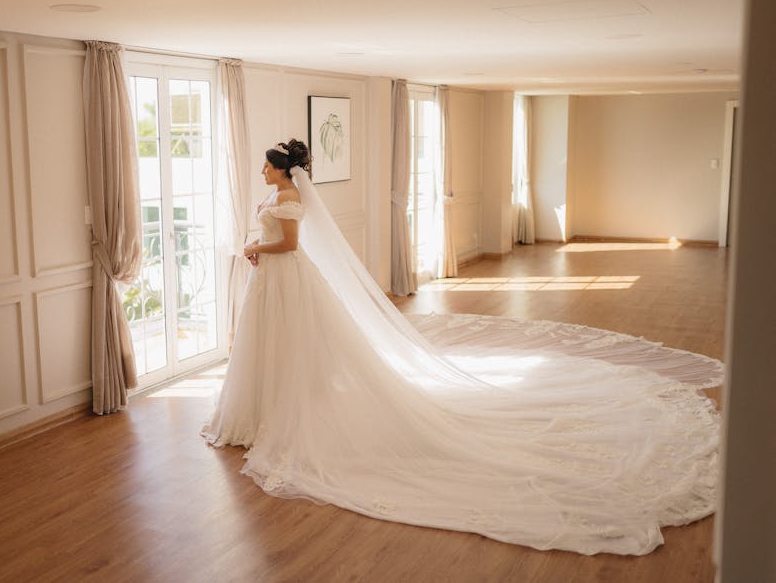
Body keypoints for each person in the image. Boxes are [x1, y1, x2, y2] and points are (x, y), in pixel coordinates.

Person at [202, 139, 719, 556]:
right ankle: (261, 406)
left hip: (286, 277)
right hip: (268, 282)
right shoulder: (274, 195)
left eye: (266, 167)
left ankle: (291, 405)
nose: (262, 172)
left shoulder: (290, 199)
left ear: (281, 170)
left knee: (292, 343)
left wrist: (253, 246)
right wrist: (256, 251)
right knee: (267, 344)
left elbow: (291, 246)